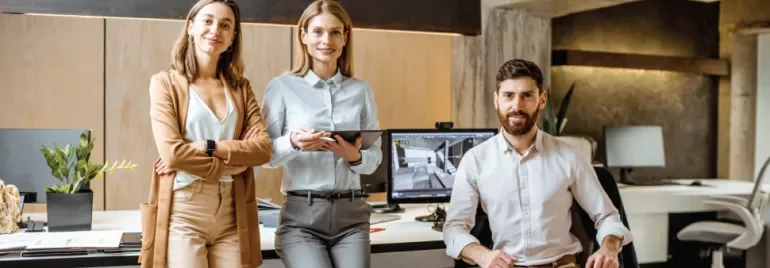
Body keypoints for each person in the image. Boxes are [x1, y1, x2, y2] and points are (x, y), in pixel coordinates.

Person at [442, 59, 633, 268]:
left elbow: (608, 217)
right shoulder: (475, 160)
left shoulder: (569, 156)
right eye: (508, 96)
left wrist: (609, 248)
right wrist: (482, 255)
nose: (517, 106)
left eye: (527, 95)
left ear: (542, 100)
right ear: (496, 100)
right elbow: (454, 229)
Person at [140, 0, 272, 267]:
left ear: (233, 38)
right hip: (185, 210)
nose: (215, 30)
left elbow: (263, 149)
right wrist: (227, 168)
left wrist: (209, 146)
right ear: (190, 26)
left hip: (232, 213)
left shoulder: (241, 88)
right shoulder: (164, 83)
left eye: (225, 25)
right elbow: (173, 154)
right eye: (208, 21)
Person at [260, 1, 382, 267]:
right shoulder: (281, 87)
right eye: (317, 31)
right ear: (303, 35)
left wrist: (354, 157)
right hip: (301, 219)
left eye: (335, 32)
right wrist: (293, 142)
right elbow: (263, 155)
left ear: (345, 38)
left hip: (352, 217)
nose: (326, 40)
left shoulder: (361, 90)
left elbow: (376, 157)